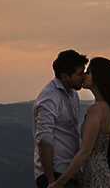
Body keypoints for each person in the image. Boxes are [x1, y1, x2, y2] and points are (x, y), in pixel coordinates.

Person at [47, 56, 110, 188]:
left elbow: (85, 152)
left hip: (101, 178)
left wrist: (59, 183)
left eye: (88, 72)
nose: (84, 75)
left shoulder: (96, 110)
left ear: (98, 77)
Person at [33, 49, 89, 187]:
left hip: (68, 172)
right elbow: (44, 139)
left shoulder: (72, 95)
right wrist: (52, 181)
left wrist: (78, 175)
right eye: (79, 74)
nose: (84, 76)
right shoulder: (49, 97)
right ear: (64, 77)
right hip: (56, 172)